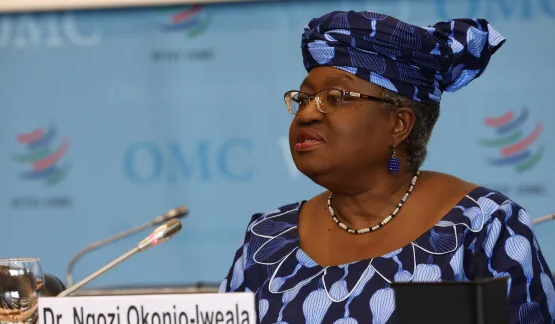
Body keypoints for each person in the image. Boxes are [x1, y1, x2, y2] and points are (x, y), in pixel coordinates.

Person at [218, 10, 555, 324]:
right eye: (304, 99)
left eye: (335, 98)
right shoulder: (267, 237)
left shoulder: (482, 225)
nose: (306, 114)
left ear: (399, 124)